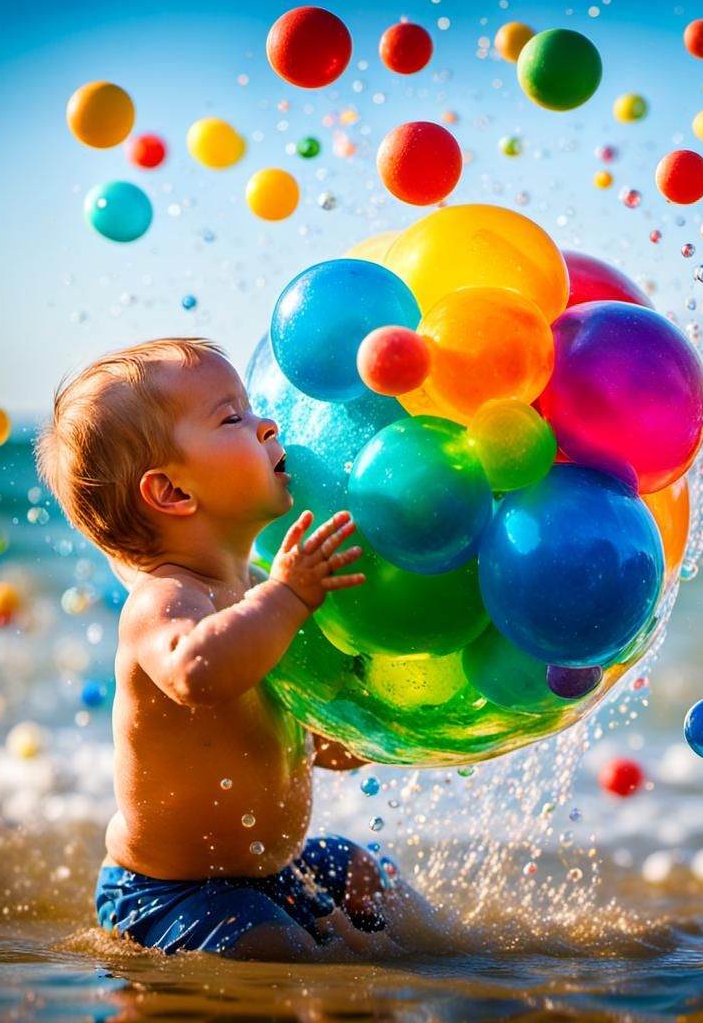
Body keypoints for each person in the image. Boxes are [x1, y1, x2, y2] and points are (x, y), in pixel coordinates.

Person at [34, 336, 420, 961]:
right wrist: (290, 598)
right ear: (174, 493)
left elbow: (297, 729)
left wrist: (367, 732)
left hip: (275, 872)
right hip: (167, 892)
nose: (268, 423)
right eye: (233, 417)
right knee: (276, 952)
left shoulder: (262, 593)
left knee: (367, 876)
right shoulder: (163, 601)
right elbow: (197, 671)